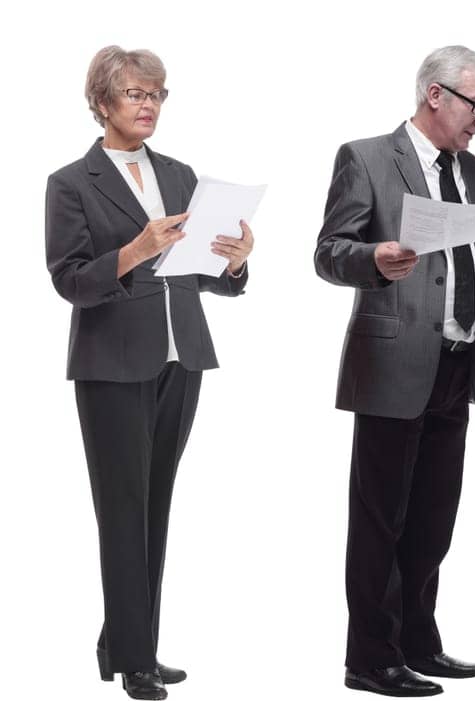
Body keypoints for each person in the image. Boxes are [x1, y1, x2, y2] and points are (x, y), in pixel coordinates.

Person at [313, 45, 475, 698]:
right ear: (436, 95)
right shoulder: (367, 157)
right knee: (380, 518)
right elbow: (328, 252)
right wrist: (375, 257)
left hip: (459, 363)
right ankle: (369, 658)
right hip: (392, 361)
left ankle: (418, 643)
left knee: (433, 515)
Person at [45, 45, 254, 701]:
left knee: (154, 504)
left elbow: (202, 273)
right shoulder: (72, 182)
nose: (148, 105)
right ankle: (134, 658)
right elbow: (69, 279)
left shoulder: (182, 173)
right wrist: (135, 250)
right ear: (102, 102)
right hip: (111, 364)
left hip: (179, 356)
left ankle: (133, 642)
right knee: (123, 508)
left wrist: (237, 261)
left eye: (157, 94)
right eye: (135, 93)